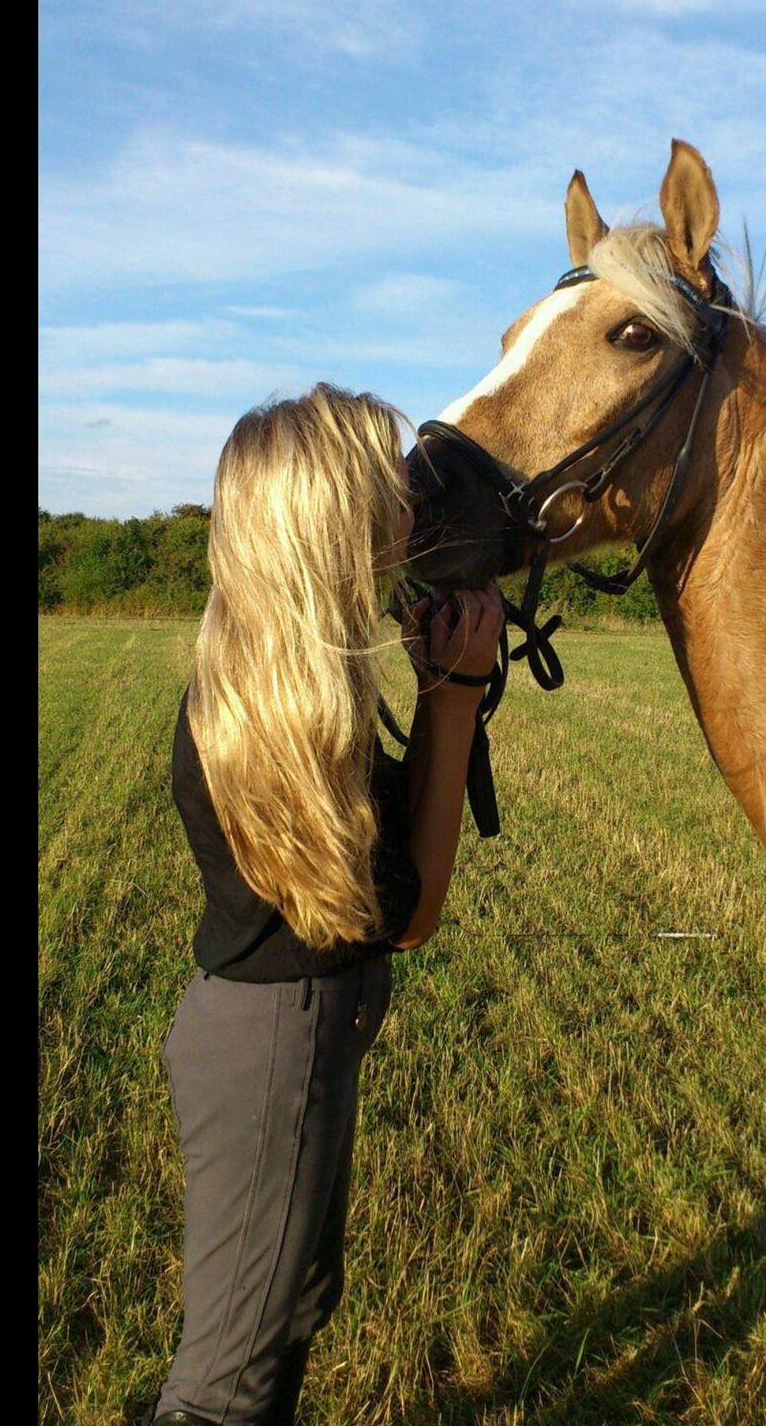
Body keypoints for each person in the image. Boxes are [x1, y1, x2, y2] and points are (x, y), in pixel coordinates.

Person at [147, 383, 504, 1426]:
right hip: (274, 1046)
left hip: (283, 1033)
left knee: (295, 1309)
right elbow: (411, 911)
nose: (413, 498)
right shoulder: (285, 727)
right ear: (329, 523)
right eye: (386, 482)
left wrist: (436, 681)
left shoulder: (279, 678)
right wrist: (453, 700)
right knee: (221, 1391)